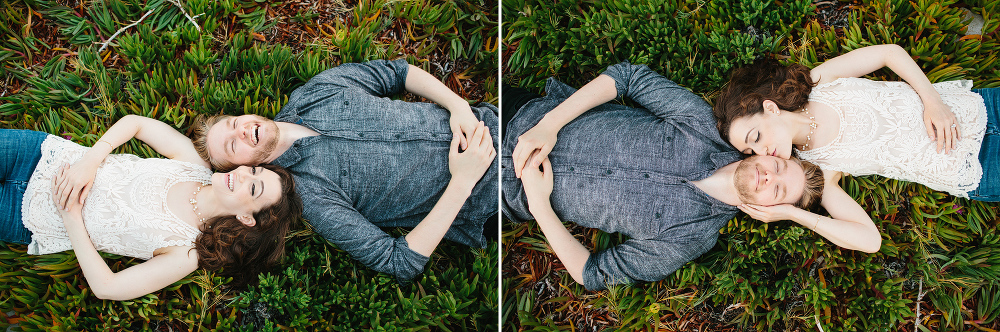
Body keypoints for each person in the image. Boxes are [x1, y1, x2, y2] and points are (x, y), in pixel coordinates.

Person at [503, 61, 876, 291]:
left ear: (771, 210)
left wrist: (539, 205)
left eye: (778, 193)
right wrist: (549, 126)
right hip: (519, 120)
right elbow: (627, 76)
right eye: (778, 166)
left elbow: (592, 274)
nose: (768, 177)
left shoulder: (691, 238)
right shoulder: (700, 125)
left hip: (499, 194)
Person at [190, 59, 498, 282]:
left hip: (497, 120)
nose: (241, 131)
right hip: (501, 189)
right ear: (246, 168)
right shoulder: (309, 197)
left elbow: (398, 73)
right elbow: (399, 261)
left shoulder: (316, 91)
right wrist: (464, 181)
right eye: (233, 146)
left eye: (233, 124)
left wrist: (458, 106)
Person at [0, 115, 302, 301]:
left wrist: (71, 216)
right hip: (40, 155)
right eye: (254, 170)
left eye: (253, 187)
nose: (244, 174)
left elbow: (109, 287)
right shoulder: (195, 165)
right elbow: (137, 123)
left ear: (247, 217)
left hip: (27, 214)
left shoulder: (187, 253)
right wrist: (91, 161)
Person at [714, 44, 995, 220]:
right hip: (976, 167)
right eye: (751, 152)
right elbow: (868, 240)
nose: (761, 153)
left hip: (975, 107)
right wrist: (789, 212)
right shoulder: (818, 168)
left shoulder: (817, 82)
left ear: (770, 108)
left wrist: (933, 101)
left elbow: (889, 53)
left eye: (756, 137)